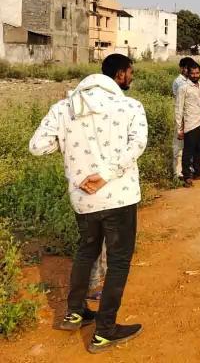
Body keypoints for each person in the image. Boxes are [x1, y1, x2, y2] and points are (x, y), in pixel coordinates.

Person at [29, 54, 147, 353]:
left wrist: (70, 144)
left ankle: (75, 313)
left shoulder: (64, 107)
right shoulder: (129, 106)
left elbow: (37, 146)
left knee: (86, 251)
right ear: (120, 74)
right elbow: (137, 145)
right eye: (130, 72)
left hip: (83, 198)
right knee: (118, 262)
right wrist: (105, 173)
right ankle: (104, 331)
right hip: (119, 196)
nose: (131, 77)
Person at [175, 61, 200, 187]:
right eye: (193, 73)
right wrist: (179, 128)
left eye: (197, 73)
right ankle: (187, 176)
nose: (195, 75)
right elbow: (179, 109)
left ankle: (197, 172)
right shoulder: (183, 88)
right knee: (188, 151)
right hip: (190, 124)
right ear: (188, 73)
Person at [171, 57, 195, 179]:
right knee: (179, 146)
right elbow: (180, 104)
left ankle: (188, 168)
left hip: (191, 117)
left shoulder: (191, 81)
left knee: (189, 145)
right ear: (181, 68)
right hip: (181, 116)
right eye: (186, 68)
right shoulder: (179, 82)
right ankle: (177, 172)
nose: (188, 70)